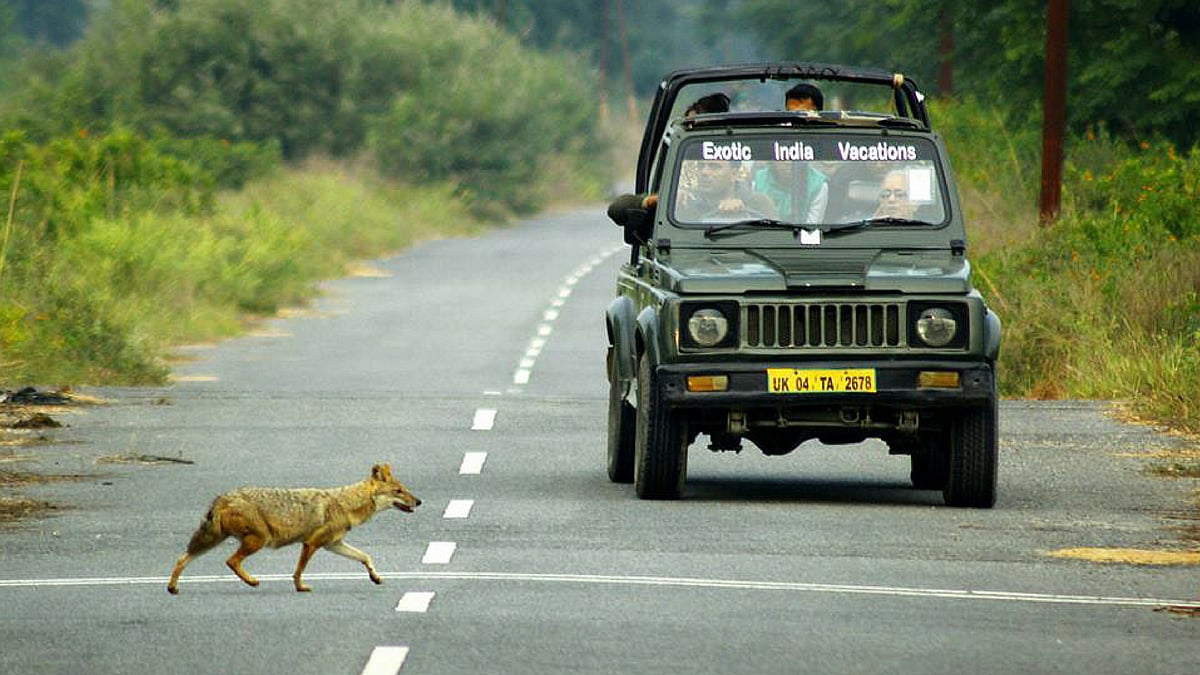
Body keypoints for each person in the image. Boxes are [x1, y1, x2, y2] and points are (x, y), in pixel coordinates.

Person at [675, 160, 776, 222]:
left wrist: (740, 214)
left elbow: (775, 238)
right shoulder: (685, 202)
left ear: (734, 174)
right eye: (701, 166)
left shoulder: (758, 203)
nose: (704, 172)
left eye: (714, 167)